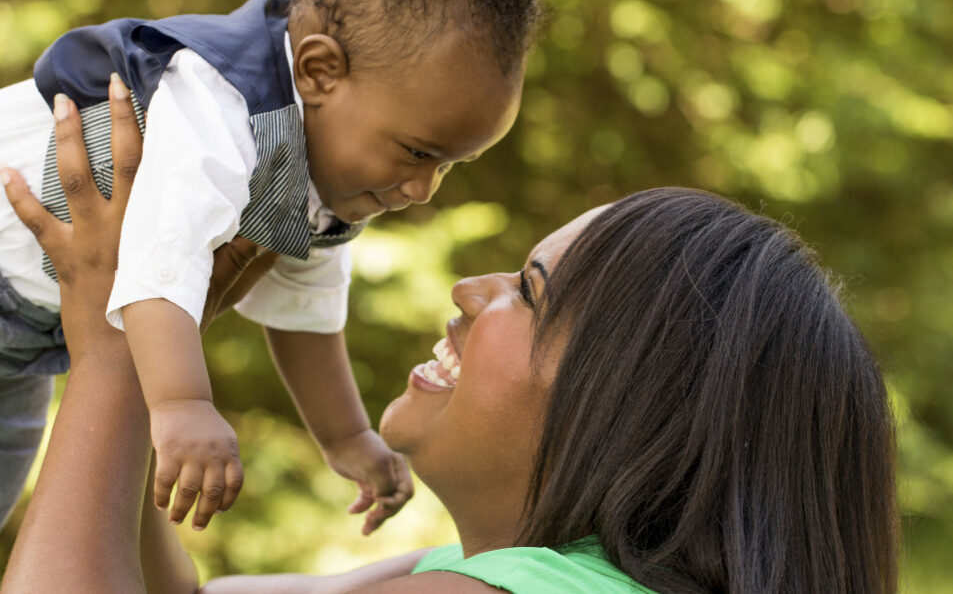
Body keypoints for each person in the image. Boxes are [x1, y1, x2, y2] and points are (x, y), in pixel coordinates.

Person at [1, 92, 898, 593]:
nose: (471, 291)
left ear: (636, 396)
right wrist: (161, 347)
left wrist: (113, 334)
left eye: (530, 292)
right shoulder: (467, 571)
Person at [0, 0, 541, 531]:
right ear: (318, 72)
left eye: (450, 166)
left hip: (28, 344)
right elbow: (161, 260)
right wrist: (184, 404)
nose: (423, 190)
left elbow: (307, 310)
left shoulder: (328, 178)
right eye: (417, 152)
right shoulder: (220, 103)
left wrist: (345, 437)